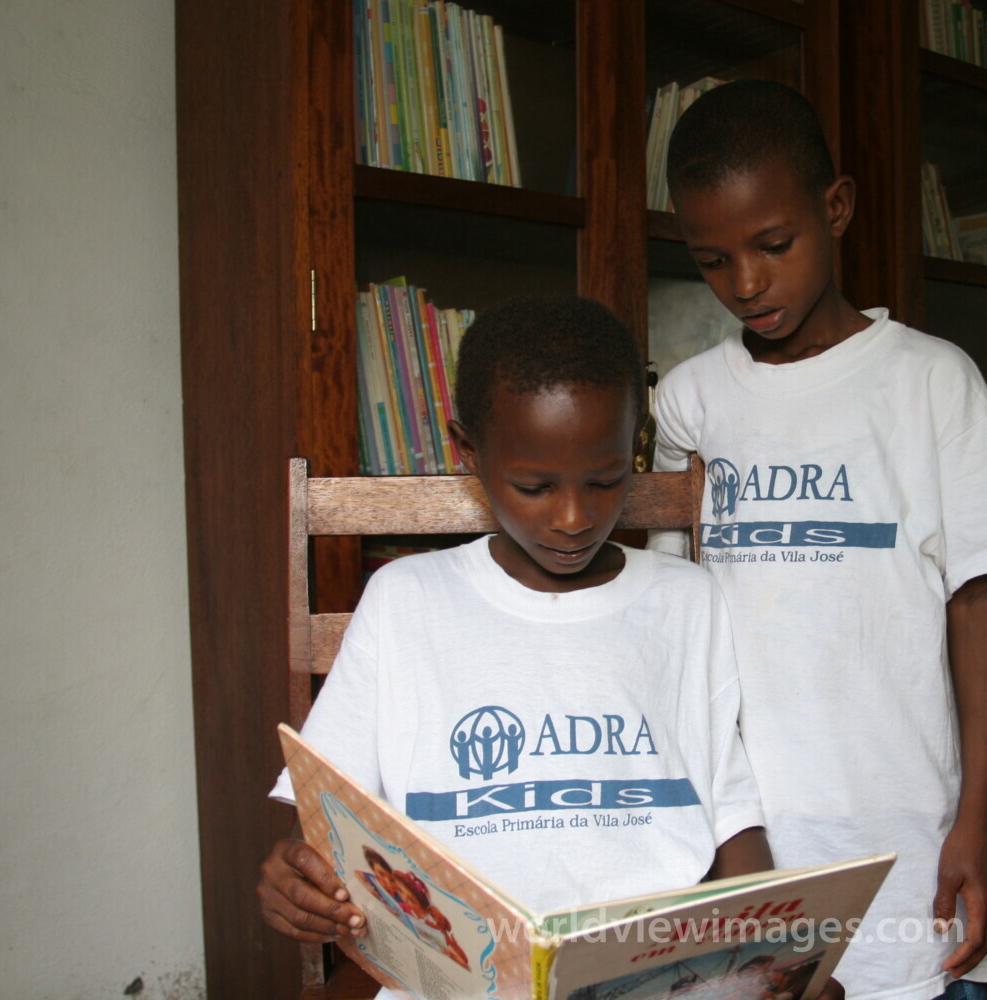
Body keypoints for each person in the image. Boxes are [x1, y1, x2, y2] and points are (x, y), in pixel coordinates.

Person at [650, 80, 987, 1000]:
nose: (746, 284)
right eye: (711, 259)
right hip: (752, 842)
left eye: (773, 245)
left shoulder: (929, 383)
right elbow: (669, 622)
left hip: (909, 829)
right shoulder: (688, 402)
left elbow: (979, 598)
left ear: (836, 209)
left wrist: (979, 815)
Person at [257, 295, 771, 984]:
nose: (573, 517)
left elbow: (733, 820)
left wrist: (764, 958)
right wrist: (298, 875)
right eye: (534, 485)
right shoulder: (406, 601)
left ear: (635, 446)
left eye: (606, 480)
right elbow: (326, 819)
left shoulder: (685, 602)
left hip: (657, 978)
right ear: (468, 451)